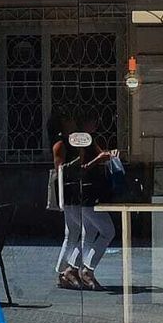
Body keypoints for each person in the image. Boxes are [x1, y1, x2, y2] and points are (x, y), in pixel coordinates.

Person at [51, 115, 117, 291]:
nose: (94, 124)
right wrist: (97, 160)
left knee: (82, 232)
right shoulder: (64, 145)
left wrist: (104, 156)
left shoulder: (84, 142)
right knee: (104, 231)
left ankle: (68, 270)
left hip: (82, 194)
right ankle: (79, 269)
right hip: (78, 195)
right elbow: (66, 171)